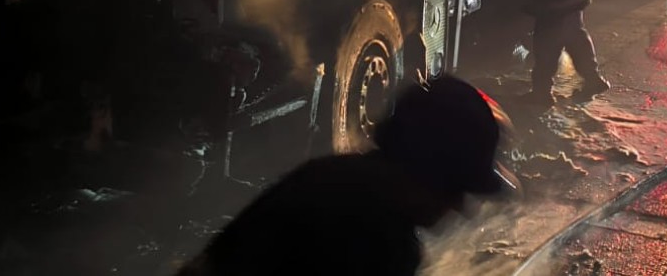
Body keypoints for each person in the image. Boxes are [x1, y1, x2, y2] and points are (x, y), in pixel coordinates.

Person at [182, 75, 516, 276]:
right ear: (422, 172)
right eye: (454, 188)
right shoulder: (375, 239)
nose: (458, 206)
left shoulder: (330, 178)